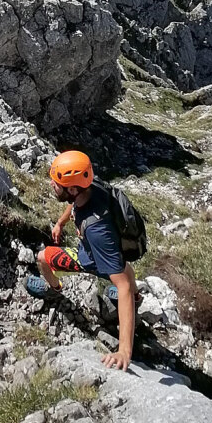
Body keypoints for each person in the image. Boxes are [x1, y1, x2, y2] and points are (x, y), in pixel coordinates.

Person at [26, 150, 139, 371]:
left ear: (72, 188)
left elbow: (122, 284)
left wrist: (124, 351)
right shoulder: (90, 185)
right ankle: (136, 298)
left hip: (92, 257)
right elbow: (75, 204)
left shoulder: (97, 230)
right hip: (114, 251)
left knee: (42, 259)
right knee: (124, 270)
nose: (52, 184)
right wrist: (60, 223)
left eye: (57, 182)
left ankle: (54, 289)